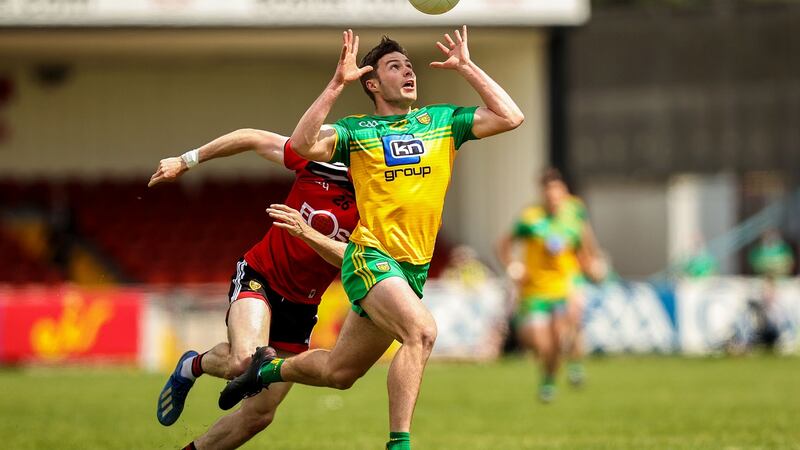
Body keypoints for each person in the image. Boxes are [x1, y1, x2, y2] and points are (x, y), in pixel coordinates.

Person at [220, 27, 523, 450]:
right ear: (373, 84)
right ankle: (399, 445)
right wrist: (334, 84)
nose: (408, 72)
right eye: (395, 67)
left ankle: (265, 372)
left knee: (338, 374)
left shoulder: (441, 121)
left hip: (411, 270)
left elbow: (511, 116)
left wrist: (467, 66)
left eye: (410, 66)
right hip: (370, 258)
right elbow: (304, 143)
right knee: (422, 332)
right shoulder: (356, 131)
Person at [149, 127, 358, 450]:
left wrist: (309, 234)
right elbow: (252, 138)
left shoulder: (382, 203)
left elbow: (358, 257)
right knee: (243, 361)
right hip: (262, 276)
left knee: (260, 415)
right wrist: (185, 160)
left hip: (303, 306)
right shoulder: (321, 162)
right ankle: (192, 365)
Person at [496, 168, 602, 403]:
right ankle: (551, 374)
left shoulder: (574, 211)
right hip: (534, 289)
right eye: (549, 194)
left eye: (558, 194)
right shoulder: (530, 218)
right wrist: (513, 267)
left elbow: (584, 245)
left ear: (563, 192)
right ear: (543, 194)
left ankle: (566, 369)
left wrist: (593, 263)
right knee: (541, 342)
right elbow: (503, 244)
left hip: (566, 283)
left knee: (567, 325)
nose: (554, 199)